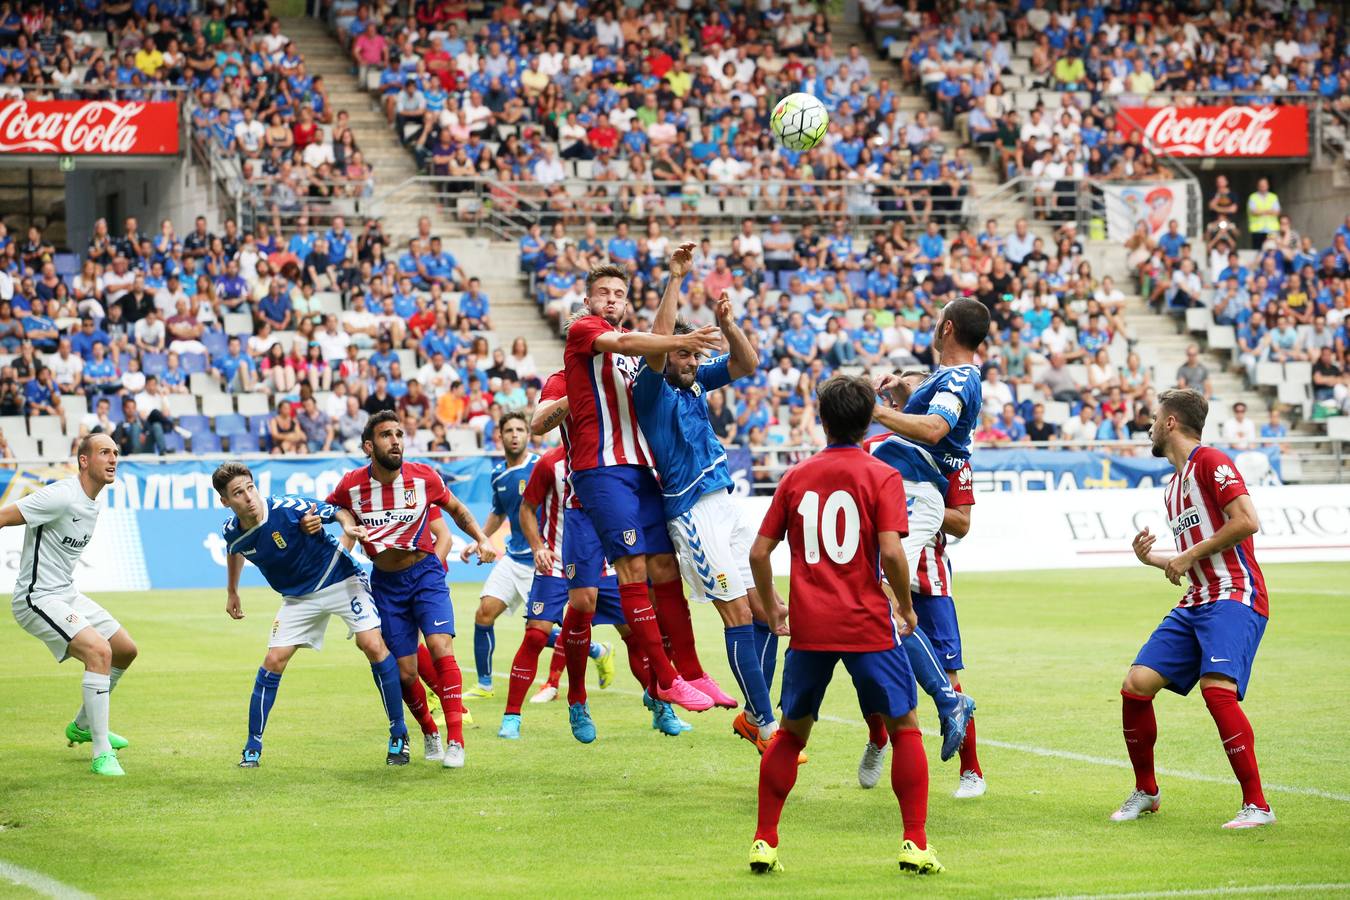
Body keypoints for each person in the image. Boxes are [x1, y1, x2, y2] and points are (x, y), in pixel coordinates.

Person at [747, 375, 942, 877]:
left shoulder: (795, 476)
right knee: (905, 727)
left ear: (822, 417)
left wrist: (771, 606)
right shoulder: (882, 476)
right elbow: (894, 551)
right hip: (865, 622)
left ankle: (765, 841)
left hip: (809, 625)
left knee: (791, 733)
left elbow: (759, 551)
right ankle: (915, 844)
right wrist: (905, 605)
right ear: (867, 419)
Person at [631, 242, 784, 755]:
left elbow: (747, 362)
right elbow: (656, 345)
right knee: (737, 615)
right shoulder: (651, 393)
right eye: (683, 352)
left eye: (696, 353)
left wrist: (728, 321)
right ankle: (766, 727)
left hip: (727, 502)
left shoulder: (693, 382)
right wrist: (676, 279)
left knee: (767, 614)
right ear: (664, 356)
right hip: (693, 515)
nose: (692, 360)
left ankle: (755, 716)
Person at [560, 263, 724, 737]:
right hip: (600, 470)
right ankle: (666, 681)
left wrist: (675, 278)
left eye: (618, 294)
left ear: (628, 302)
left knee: (665, 570)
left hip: (639, 468)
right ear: (589, 300)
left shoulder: (640, 340)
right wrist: (681, 341)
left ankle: (691, 671)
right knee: (631, 571)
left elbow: (651, 342)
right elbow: (637, 343)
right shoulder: (584, 331)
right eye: (602, 293)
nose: (610, 300)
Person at [1117, 389, 1273, 829]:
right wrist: (1157, 559)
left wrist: (1186, 558)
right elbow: (1191, 560)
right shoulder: (1172, 487)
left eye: (1153, 417)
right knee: (1136, 684)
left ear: (1170, 423)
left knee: (1216, 688)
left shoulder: (1211, 461)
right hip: (1198, 598)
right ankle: (1147, 791)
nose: (1148, 424)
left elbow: (1246, 521)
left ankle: (1257, 805)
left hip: (1234, 593)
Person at [321, 411, 496, 769]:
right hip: (386, 583)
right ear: (369, 446)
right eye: (386, 435)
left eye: (399, 434)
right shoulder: (351, 484)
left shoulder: (424, 476)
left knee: (439, 646)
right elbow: (329, 508)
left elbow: (457, 511)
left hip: (426, 573)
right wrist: (334, 521)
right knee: (404, 672)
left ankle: (456, 741)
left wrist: (481, 538)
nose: (396, 440)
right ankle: (428, 730)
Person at [215, 463, 409, 768]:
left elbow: (335, 510)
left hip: (339, 577)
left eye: (250, 487)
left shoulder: (287, 508)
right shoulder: (231, 530)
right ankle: (252, 746)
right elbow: (234, 549)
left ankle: (399, 733)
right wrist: (232, 591)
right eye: (238, 493)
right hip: (297, 598)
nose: (249, 496)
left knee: (371, 644)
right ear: (226, 501)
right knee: (273, 660)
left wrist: (345, 526)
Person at [868, 372, 984, 797]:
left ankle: (971, 771)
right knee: (875, 668)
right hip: (881, 566)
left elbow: (964, 523)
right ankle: (877, 737)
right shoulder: (876, 448)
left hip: (929, 577)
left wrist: (912, 503)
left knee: (950, 676)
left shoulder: (951, 456)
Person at [497, 445, 651, 740]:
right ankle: (512, 717)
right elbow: (527, 509)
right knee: (535, 635)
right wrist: (537, 547)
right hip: (555, 562)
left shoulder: (611, 458)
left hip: (604, 564)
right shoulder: (549, 463)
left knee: (634, 634)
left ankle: (659, 706)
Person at [5, 434, 137, 776]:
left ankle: (82, 724)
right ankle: (100, 752)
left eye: (116, 453)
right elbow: (4, 516)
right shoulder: (61, 495)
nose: (112, 459)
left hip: (65, 592)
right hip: (36, 597)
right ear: (84, 460)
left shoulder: (93, 500)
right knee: (99, 652)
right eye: (104, 453)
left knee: (123, 649)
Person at [463, 413, 585, 699]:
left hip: (542, 559)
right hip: (513, 557)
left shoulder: (541, 466)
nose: (515, 434)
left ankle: (592, 651)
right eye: (509, 430)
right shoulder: (498, 474)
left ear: (528, 436)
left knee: (538, 628)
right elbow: (498, 512)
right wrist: (479, 539)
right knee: (484, 613)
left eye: (520, 429)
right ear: (500, 436)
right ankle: (484, 685)